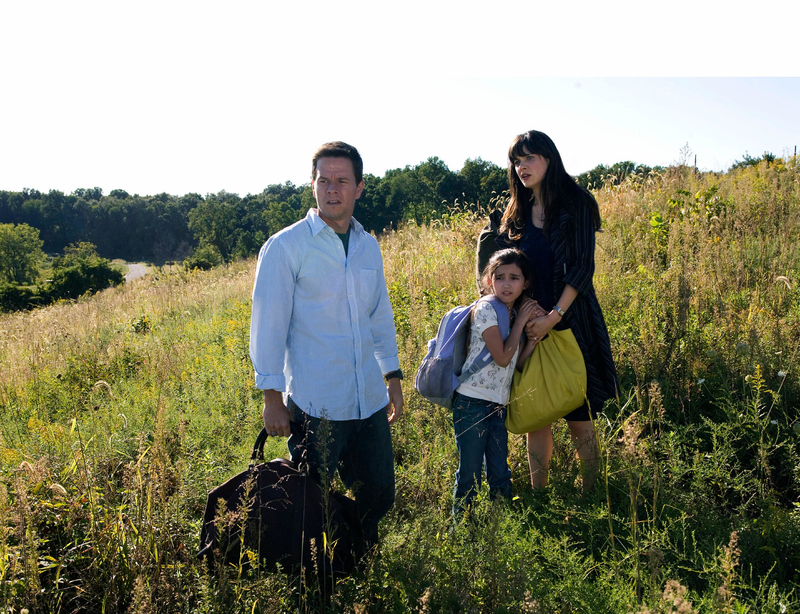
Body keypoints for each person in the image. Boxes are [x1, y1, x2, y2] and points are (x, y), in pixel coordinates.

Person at [249, 141, 404, 547]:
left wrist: (393, 376)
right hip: (317, 403)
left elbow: (379, 315)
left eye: (342, 181)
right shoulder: (286, 247)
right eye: (324, 180)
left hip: (368, 398)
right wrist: (271, 396)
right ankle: (311, 574)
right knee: (306, 498)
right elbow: (268, 325)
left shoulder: (368, 245)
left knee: (379, 492)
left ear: (359, 188)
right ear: (313, 185)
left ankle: (358, 555)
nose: (332, 189)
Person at [477, 130, 619, 492]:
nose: (522, 166)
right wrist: (525, 317)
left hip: (571, 319)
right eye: (516, 160)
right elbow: (507, 272)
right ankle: (540, 494)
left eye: (529, 158)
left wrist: (552, 317)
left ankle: (592, 493)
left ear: (549, 159)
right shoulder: (516, 212)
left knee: (579, 412)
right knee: (536, 410)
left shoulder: (576, 203)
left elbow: (582, 268)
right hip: (526, 323)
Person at [452, 248, 539, 515]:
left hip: (498, 404)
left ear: (526, 283)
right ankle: (463, 528)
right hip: (471, 402)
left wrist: (533, 337)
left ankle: (501, 526)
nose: (506, 284)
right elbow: (502, 357)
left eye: (514, 278)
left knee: (500, 469)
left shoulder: (512, 314)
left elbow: (518, 363)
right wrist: (523, 321)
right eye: (499, 277)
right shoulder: (486, 309)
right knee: (470, 471)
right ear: (489, 280)